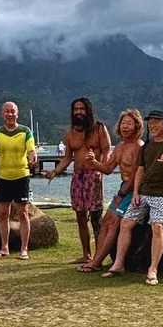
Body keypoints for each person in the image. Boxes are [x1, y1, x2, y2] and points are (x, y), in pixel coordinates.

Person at [103, 109, 163, 284]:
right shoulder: (147, 146)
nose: (153, 125)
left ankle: (153, 270)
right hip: (143, 193)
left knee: (157, 227)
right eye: (150, 123)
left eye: (157, 122)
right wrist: (135, 192)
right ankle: (118, 264)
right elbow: (140, 170)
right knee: (126, 223)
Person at [44, 97, 111, 263]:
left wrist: (101, 169)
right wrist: (56, 170)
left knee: (96, 218)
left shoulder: (99, 129)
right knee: (80, 217)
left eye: (82, 109)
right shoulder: (70, 133)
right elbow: (67, 158)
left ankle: (99, 256)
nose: (79, 112)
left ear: (88, 111)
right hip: (77, 178)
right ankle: (86, 254)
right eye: (76, 109)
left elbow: (106, 152)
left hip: (93, 176)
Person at [76, 109, 144, 273]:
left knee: (114, 222)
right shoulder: (120, 146)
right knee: (106, 221)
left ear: (137, 126)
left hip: (134, 188)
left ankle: (96, 262)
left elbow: (136, 175)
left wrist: (121, 195)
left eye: (129, 123)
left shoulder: (139, 147)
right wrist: (93, 162)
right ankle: (97, 260)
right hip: (123, 187)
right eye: (123, 123)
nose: (125, 126)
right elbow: (107, 168)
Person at [0, 101, 37, 259]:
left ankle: (24, 248)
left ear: (17, 113)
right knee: (2, 213)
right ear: (2, 114)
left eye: (12, 111)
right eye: (6, 111)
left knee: (23, 212)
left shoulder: (25, 131)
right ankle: (4, 247)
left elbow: (31, 150)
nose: (9, 114)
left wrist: (32, 158)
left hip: (21, 175)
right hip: (4, 177)